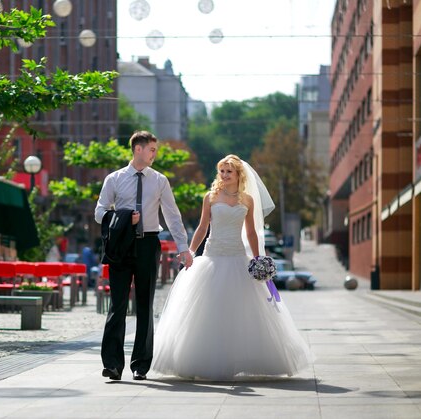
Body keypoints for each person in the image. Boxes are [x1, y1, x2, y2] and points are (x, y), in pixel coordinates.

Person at [152, 155, 312, 381]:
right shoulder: (210, 197)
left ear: (239, 175)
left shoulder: (247, 200)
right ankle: (201, 361)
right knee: (208, 309)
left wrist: (258, 260)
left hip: (237, 257)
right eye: (222, 171)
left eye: (229, 172)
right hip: (212, 257)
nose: (225, 175)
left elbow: (251, 233)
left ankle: (239, 360)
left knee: (241, 311)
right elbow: (202, 227)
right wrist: (189, 251)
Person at [95, 130, 193, 381]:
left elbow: (172, 214)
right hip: (121, 245)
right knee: (117, 305)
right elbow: (100, 212)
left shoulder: (160, 180)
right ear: (138, 149)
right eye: (152, 149)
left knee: (145, 305)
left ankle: (141, 365)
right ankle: (113, 365)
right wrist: (125, 216)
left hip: (149, 243)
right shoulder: (114, 179)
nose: (154, 154)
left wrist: (183, 247)